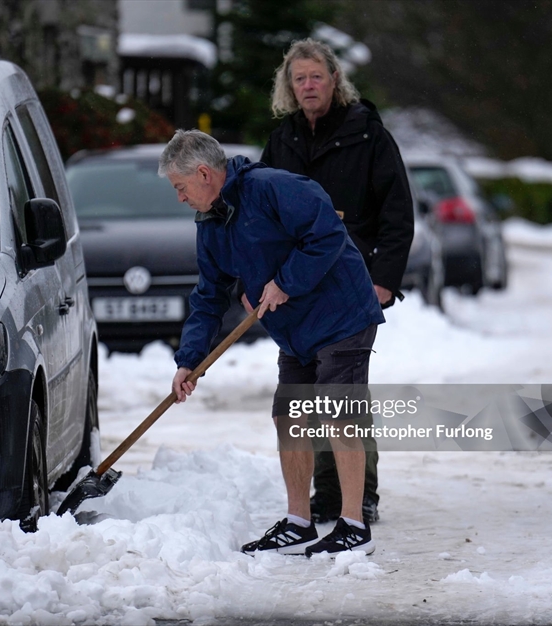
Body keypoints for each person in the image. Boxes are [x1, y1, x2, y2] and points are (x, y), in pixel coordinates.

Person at [159, 129, 384, 556]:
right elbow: (209, 296)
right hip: (295, 328)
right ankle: (300, 521)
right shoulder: (211, 224)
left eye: (180, 187)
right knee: (289, 416)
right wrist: (190, 361)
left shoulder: (271, 188)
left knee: (337, 411)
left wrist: (284, 282)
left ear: (204, 174)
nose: (180, 198)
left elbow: (327, 233)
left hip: (341, 313)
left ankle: (354, 525)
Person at [261, 38, 414, 525]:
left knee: (342, 390)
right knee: (305, 393)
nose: (308, 86)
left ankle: (353, 494)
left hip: (354, 282)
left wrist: (384, 281)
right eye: (299, 78)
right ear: (289, 86)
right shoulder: (282, 140)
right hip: (300, 286)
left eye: (317, 77)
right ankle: (325, 497)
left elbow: (397, 212)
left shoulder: (367, 134)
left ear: (334, 81)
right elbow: (261, 215)